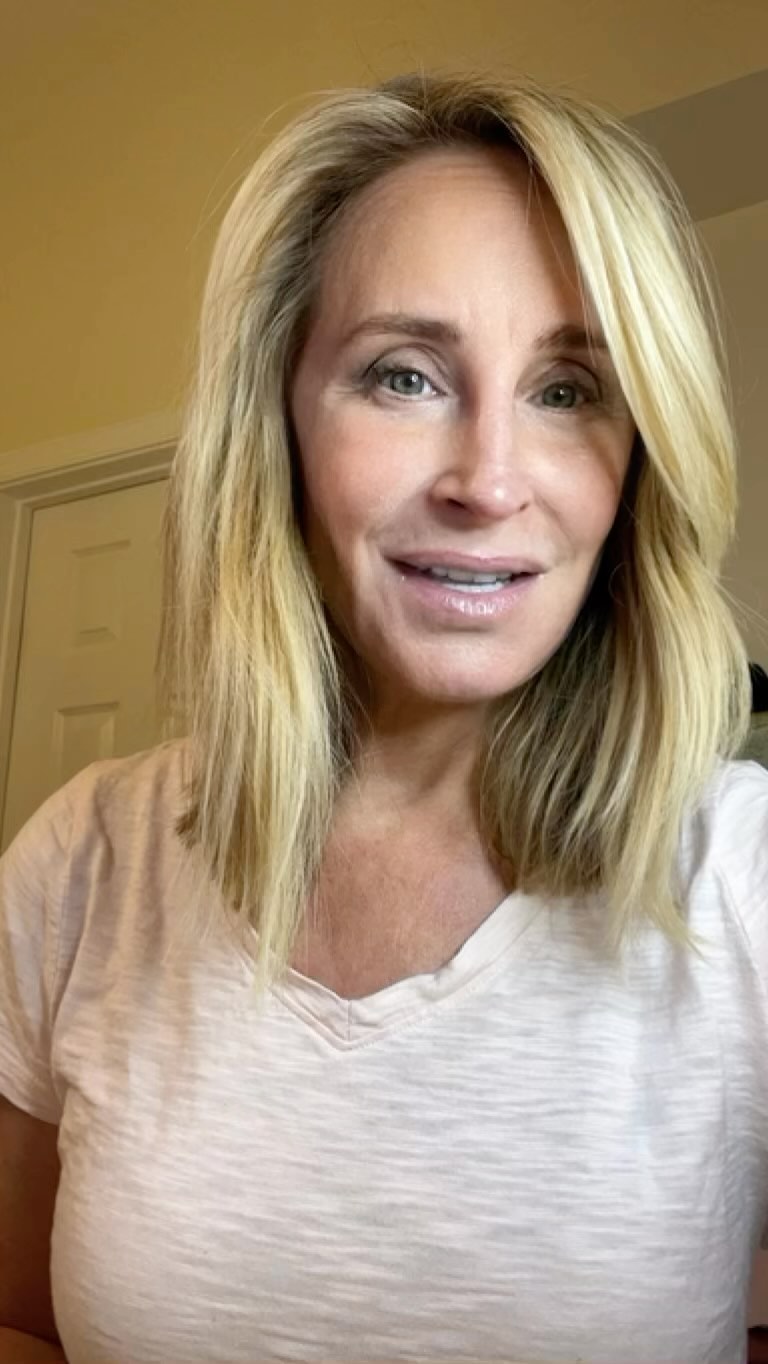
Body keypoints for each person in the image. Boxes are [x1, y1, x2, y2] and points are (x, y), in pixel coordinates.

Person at [1, 69, 766, 1364]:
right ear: (280, 424)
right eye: (405, 376)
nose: (490, 481)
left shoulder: (742, 873)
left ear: (641, 457)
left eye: (568, 390)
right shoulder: (85, 865)